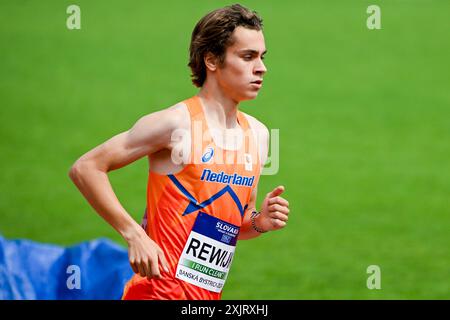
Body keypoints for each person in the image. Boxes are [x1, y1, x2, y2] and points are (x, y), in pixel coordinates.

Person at [69, 3, 290, 300]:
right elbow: (86, 168)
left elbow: (230, 224)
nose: (261, 67)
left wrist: (259, 222)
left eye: (262, 57)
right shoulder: (176, 124)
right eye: (248, 56)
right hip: (155, 293)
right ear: (212, 60)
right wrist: (134, 234)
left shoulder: (259, 135)